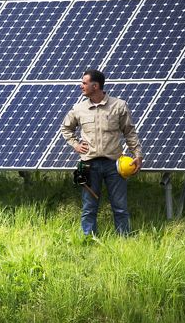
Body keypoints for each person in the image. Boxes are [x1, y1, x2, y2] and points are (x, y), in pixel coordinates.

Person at [61, 69, 143, 236]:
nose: (81, 86)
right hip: (88, 165)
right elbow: (66, 128)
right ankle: (87, 239)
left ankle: (124, 239)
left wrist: (138, 154)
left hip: (115, 165)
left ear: (95, 85)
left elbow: (129, 132)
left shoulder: (119, 105)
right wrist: (75, 145)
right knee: (88, 207)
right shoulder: (78, 108)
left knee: (120, 207)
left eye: (84, 83)